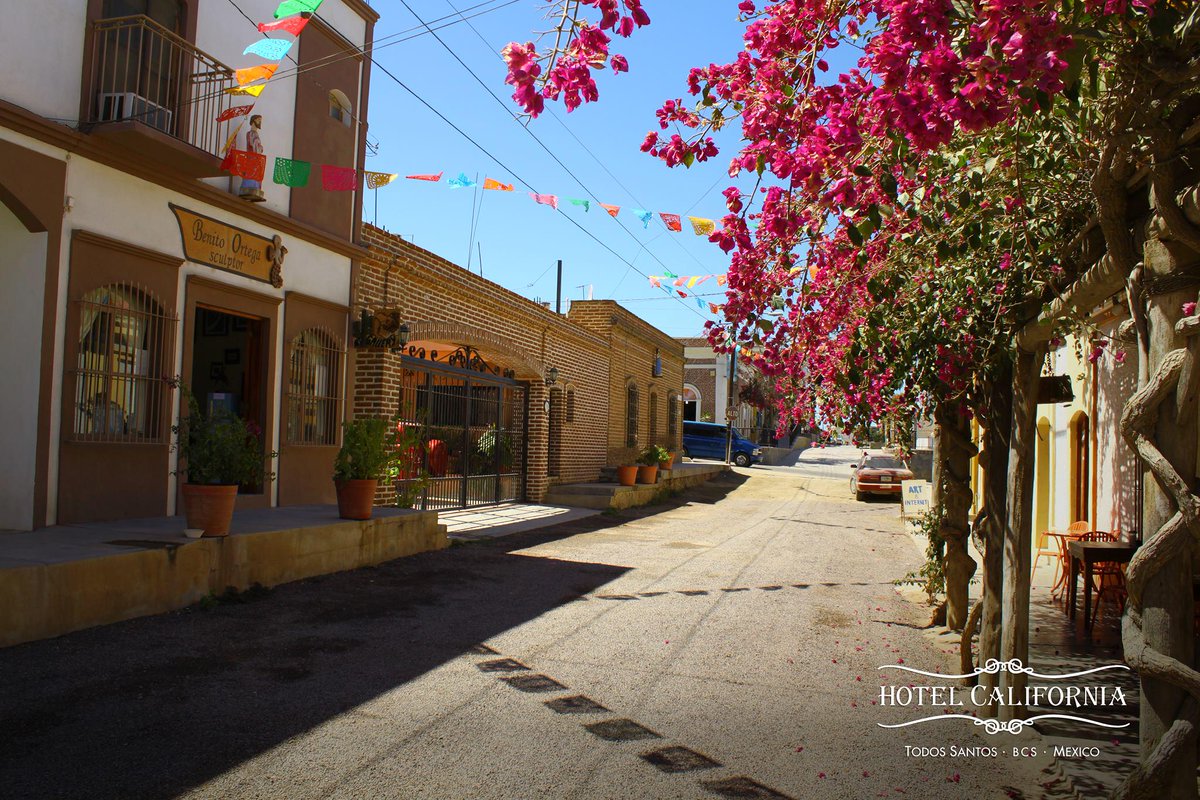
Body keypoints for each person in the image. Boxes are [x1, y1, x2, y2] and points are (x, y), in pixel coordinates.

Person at [239, 115, 265, 202]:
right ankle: (248, 188)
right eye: (258, 120)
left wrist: (260, 147)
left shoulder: (255, 134)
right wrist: (260, 147)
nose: (260, 122)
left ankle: (254, 189)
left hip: (255, 160)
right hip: (251, 159)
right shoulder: (251, 133)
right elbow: (256, 147)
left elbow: (258, 148)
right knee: (251, 174)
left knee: (255, 175)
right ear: (253, 121)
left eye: (260, 120)